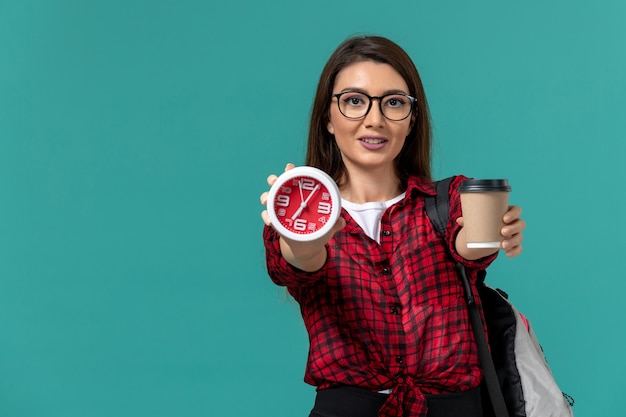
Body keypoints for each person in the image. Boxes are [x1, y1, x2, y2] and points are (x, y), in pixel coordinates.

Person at [259, 35, 525, 417]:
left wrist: (493, 234)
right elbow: (298, 260)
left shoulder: (446, 201)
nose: (375, 119)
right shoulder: (301, 215)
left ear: (411, 119)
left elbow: (469, 245)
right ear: (328, 120)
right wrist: (304, 235)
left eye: (394, 103)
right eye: (354, 101)